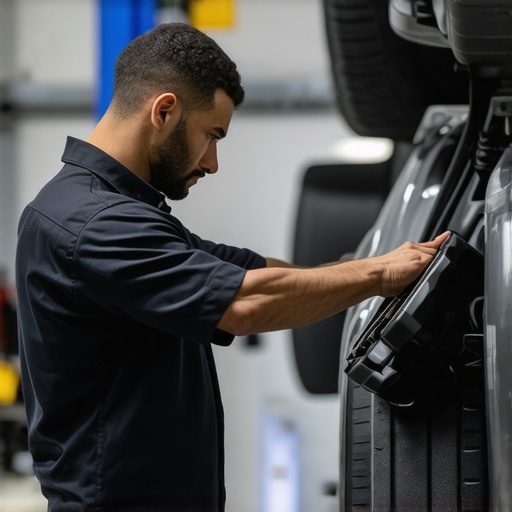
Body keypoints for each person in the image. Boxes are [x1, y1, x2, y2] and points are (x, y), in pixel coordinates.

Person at [15, 22, 450, 512]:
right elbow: (246, 301)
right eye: (211, 136)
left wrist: (354, 266)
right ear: (164, 111)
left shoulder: (121, 211)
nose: (212, 162)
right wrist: (378, 275)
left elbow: (253, 270)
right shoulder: (93, 224)